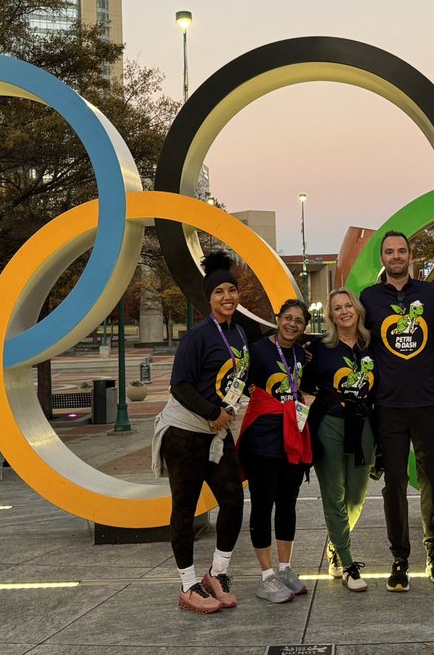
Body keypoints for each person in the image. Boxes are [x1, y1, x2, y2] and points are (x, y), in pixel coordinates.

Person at [151, 251, 248, 614]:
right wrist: (212, 412)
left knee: (233, 500)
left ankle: (216, 574)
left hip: (218, 434)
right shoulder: (197, 337)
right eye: (219, 291)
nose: (227, 296)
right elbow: (180, 385)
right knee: (185, 508)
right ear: (209, 298)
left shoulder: (238, 332)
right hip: (185, 434)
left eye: (231, 290)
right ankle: (188, 584)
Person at [358, 230, 434, 590]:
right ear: (382, 258)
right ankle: (400, 558)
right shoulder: (369, 298)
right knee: (394, 483)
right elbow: (353, 338)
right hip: (389, 406)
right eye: (389, 252)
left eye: (401, 251)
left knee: (432, 481)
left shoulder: (429, 294)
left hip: (429, 403)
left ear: (411, 256)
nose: (396, 256)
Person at [236, 299, 314, 604]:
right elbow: (239, 380)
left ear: (304, 327)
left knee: (287, 503)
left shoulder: (300, 353)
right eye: (288, 318)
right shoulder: (257, 350)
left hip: (291, 436)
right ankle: (266, 576)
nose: (292, 324)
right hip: (262, 437)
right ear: (277, 318)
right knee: (262, 504)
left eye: (299, 321)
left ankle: (284, 568)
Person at [304, 287, 377, 592]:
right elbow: (304, 383)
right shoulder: (318, 348)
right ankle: (346, 563)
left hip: (364, 424)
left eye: (349, 305)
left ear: (357, 310)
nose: (344, 311)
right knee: (334, 494)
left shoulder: (372, 344)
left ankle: (336, 545)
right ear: (331, 316)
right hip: (330, 424)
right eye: (337, 308)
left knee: (357, 495)